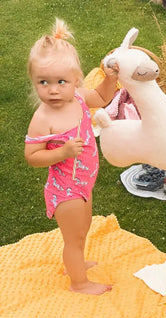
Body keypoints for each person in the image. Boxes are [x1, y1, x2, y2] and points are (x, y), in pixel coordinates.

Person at [25, 18, 118, 294]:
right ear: (35, 82)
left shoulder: (77, 97)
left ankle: (75, 262)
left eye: (60, 82)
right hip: (65, 190)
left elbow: (101, 98)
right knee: (73, 238)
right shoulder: (43, 118)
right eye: (44, 82)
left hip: (83, 184)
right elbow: (32, 156)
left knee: (83, 228)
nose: (53, 90)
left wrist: (111, 79)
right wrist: (62, 152)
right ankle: (79, 282)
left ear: (76, 80)